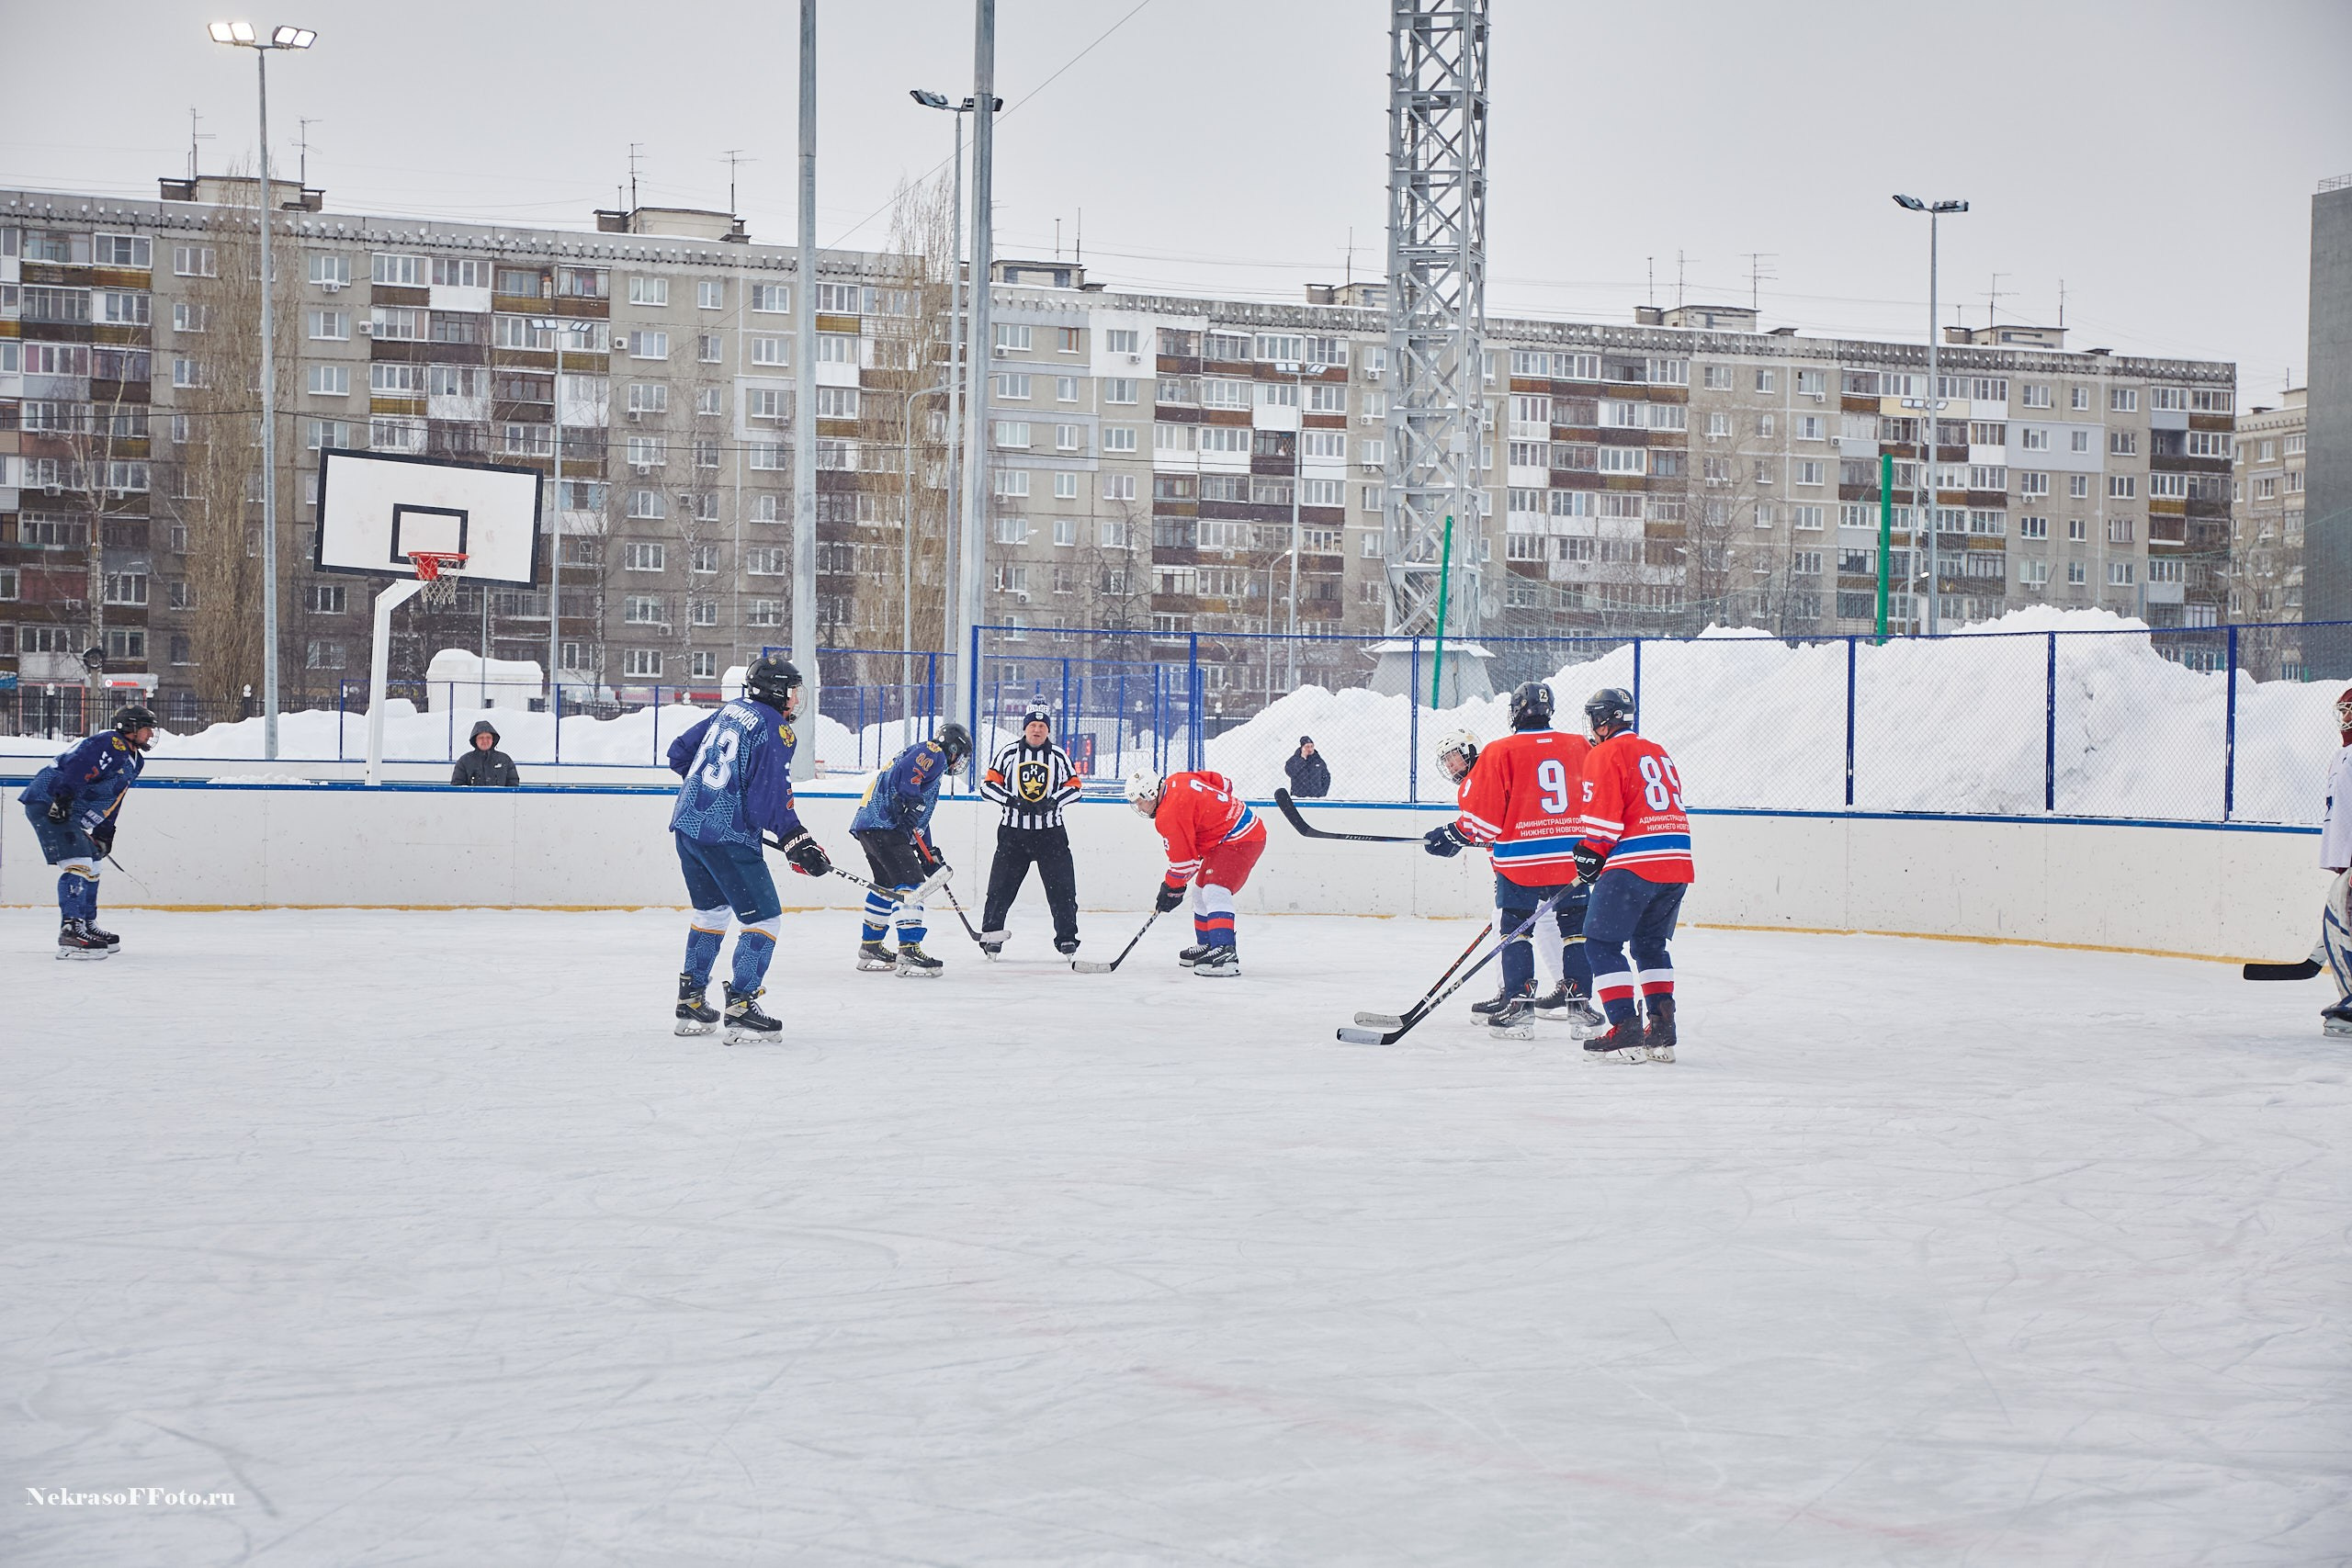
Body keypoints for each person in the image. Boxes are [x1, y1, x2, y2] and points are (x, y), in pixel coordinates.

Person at [665, 653, 832, 1040]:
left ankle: (691, 999)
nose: (795, 700)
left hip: (688, 827)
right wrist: (796, 838)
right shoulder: (774, 728)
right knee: (763, 919)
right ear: (775, 691)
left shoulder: (732, 710)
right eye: (792, 691)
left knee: (712, 912)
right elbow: (769, 797)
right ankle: (741, 1003)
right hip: (726, 836)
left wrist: (712, 793)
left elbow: (679, 754)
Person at [1423, 687, 1602, 1035]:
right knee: (1575, 932)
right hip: (1572, 861)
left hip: (1521, 865)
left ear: (1516, 713)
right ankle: (1580, 1008)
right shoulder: (1579, 745)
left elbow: (1486, 822)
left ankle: (1519, 1007)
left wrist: (1452, 834)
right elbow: (1597, 798)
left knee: (1515, 931)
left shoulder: (1500, 750)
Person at [1571, 686, 1694, 1064]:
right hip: (1677, 863)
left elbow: (1603, 821)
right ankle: (1661, 1028)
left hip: (1635, 864)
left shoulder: (1605, 753)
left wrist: (1590, 854)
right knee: (1649, 946)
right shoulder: (1657, 750)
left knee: (1600, 944)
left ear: (1603, 720)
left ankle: (1624, 1027)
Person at [19, 704, 156, 959]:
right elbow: (78, 765)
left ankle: (86, 925)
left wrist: (105, 831)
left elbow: (115, 796)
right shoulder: (111, 743)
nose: (151, 734)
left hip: (67, 808)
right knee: (79, 862)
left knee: (93, 862)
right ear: (132, 728)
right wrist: (62, 799)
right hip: (49, 803)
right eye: (147, 728)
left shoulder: (134, 759)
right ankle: (71, 932)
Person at [849, 722, 974, 976]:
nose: (959, 761)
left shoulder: (933, 766)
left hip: (871, 825)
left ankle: (871, 946)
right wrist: (909, 800)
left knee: (884, 884)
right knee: (912, 883)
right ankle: (909, 948)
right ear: (953, 748)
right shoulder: (933, 752)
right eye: (960, 754)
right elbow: (911, 775)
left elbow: (918, 821)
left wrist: (928, 853)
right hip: (884, 826)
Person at [1125, 766, 1267, 977]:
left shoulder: (1168, 814)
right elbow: (1223, 782)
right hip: (1230, 833)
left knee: (1215, 890)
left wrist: (1170, 889)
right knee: (1200, 891)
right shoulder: (1178, 779)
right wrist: (1213, 816)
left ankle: (1225, 952)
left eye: (1139, 800)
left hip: (1242, 837)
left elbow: (1185, 864)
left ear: (1151, 793)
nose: (1139, 806)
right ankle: (1209, 945)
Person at [978, 705, 1082, 958]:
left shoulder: (1058, 756)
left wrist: (1054, 800)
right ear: (1025, 728)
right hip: (1013, 835)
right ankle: (992, 936)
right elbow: (988, 786)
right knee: (1000, 888)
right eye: (1033, 726)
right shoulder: (1008, 754)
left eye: (1042, 726)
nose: (1037, 730)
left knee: (1062, 889)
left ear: (1048, 730)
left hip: (1051, 835)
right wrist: (1011, 800)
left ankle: (1067, 938)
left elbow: (1076, 787)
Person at [2318, 687, 2352, 1036]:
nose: (2344, 718)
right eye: (2342, 710)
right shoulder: (2342, 755)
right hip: (2346, 861)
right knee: (2337, 927)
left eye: (2349, 710)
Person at [449, 719, 520, 787]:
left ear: (493, 740)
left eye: (488, 737)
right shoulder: (464, 761)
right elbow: (457, 787)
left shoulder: (505, 760)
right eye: (481, 738)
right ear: (475, 740)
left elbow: (513, 785)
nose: (485, 741)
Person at [1283, 735, 1331, 799]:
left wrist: (1322, 792)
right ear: (1302, 748)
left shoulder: (1319, 761)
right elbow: (1290, 772)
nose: (1310, 749)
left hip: (1316, 797)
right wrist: (1302, 759)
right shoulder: (1294, 760)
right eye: (1307, 747)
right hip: (1299, 797)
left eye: (1312, 746)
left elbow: (1326, 777)